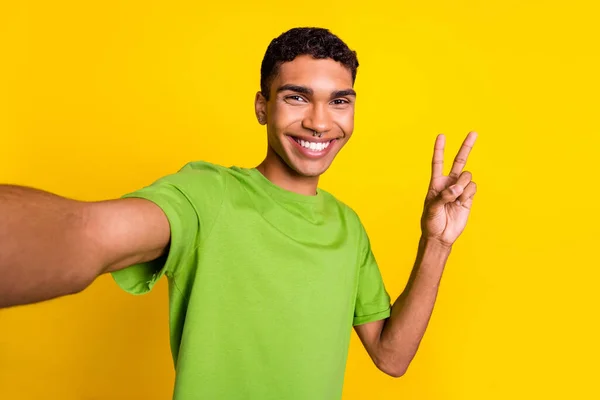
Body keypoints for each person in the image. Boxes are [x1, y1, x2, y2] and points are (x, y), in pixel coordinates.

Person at [0, 27, 477, 399]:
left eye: (339, 101)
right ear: (261, 106)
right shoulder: (209, 194)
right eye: (296, 96)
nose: (319, 120)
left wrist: (437, 242)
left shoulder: (348, 226)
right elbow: (88, 233)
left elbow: (391, 356)